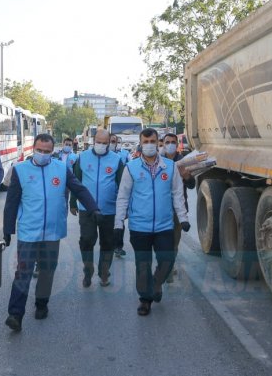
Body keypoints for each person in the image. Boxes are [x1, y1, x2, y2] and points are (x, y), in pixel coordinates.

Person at [3, 133, 99, 332]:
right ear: (33, 149)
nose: (43, 154)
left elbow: (79, 190)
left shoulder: (61, 169)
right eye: (39, 150)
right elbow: (11, 203)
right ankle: (15, 314)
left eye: (47, 151)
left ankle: (41, 304)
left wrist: (93, 208)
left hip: (53, 231)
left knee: (47, 271)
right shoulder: (20, 170)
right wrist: (7, 230)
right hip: (29, 231)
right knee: (23, 272)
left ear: (53, 151)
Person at [114, 128, 190, 316]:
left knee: (167, 260)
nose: (149, 145)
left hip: (164, 225)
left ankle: (156, 283)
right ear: (140, 143)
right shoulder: (131, 167)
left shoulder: (170, 167)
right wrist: (118, 224)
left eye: (152, 141)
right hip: (139, 226)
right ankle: (145, 299)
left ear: (159, 143)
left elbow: (177, 195)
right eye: (145, 141)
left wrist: (183, 218)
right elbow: (123, 197)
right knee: (143, 264)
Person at [69, 129, 123, 287]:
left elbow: (123, 186)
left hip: (109, 210)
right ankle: (88, 270)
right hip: (87, 209)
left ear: (109, 143)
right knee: (86, 240)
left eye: (105, 143)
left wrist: (122, 209)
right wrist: (73, 202)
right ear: (93, 140)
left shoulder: (116, 160)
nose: (101, 145)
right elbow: (75, 182)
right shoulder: (83, 157)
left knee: (108, 243)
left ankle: (104, 273)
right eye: (98, 142)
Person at [161, 133, 196, 283]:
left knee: (174, 242)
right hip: (161, 208)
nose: (170, 144)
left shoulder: (183, 161)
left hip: (178, 209)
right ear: (162, 144)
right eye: (167, 142)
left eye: (173, 142)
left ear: (177, 144)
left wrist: (186, 176)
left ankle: (169, 267)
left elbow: (192, 185)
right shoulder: (157, 161)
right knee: (162, 242)